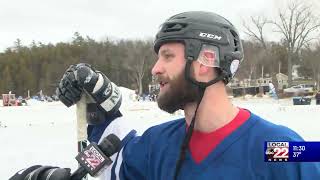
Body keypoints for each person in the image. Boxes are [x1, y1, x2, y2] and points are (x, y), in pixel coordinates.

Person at [10, 11, 320, 180]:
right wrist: (98, 113)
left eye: (168, 56)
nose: (156, 68)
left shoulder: (279, 147)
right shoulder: (156, 144)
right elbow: (109, 164)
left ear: (205, 62)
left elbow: (312, 156)